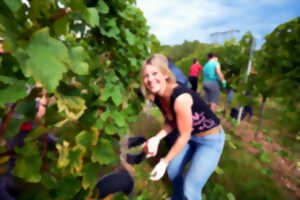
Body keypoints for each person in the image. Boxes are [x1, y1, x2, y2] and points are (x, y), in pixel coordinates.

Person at [140, 54, 225, 200]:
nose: (150, 79)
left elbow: (184, 135)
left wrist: (164, 161)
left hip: (210, 140)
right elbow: (171, 122)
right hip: (192, 136)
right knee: (173, 171)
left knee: (191, 188)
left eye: (155, 73)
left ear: (165, 74)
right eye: (146, 75)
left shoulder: (180, 98)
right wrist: (156, 139)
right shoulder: (157, 96)